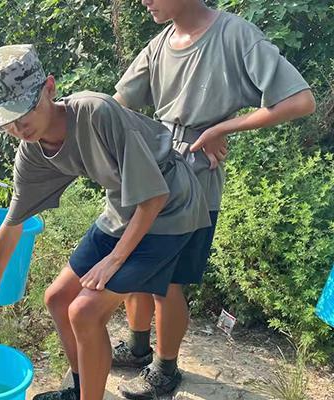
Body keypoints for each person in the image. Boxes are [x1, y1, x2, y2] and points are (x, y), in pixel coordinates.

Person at [0, 44, 213, 400]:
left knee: (84, 311)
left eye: (25, 110)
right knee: (57, 298)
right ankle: (82, 387)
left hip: (169, 208)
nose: (17, 126)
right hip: (124, 206)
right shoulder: (32, 152)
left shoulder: (96, 111)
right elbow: (13, 223)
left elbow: (154, 197)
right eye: (6, 119)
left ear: (50, 88)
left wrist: (113, 260)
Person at [112, 1, 315, 396]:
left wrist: (224, 126)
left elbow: (299, 100)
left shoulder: (233, 35)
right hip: (152, 170)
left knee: (167, 282)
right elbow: (117, 104)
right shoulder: (159, 45)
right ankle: (137, 347)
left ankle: (165, 371)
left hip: (195, 179)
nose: (144, 1)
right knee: (132, 262)